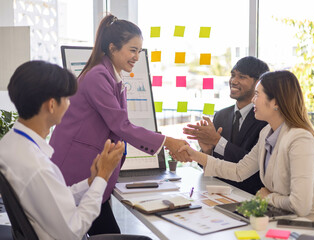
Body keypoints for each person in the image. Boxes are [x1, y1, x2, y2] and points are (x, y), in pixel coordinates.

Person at [49, 14, 189, 235]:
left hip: (89, 168)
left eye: (139, 51)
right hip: (75, 168)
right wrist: (167, 141)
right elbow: (121, 125)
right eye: (132, 50)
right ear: (113, 48)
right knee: (104, 232)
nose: (137, 57)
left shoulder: (108, 75)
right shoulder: (98, 77)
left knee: (103, 231)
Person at [178, 70, 314, 218]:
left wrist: (268, 197)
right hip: (282, 217)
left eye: (257, 94)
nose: (253, 99)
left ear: (276, 102)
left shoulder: (300, 139)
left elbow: (300, 205)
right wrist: (195, 155)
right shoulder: (267, 132)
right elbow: (239, 171)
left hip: (313, 224)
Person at [0, 60, 126, 239]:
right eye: (67, 99)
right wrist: (102, 177)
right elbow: (73, 231)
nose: (69, 105)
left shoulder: (12, 143)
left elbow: (55, 199)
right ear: (51, 105)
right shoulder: (38, 167)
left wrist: (90, 182)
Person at [183, 56, 269, 195]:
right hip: (217, 192)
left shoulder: (264, 120)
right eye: (233, 75)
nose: (233, 81)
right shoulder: (221, 115)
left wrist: (217, 141)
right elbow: (208, 164)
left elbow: (250, 165)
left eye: (241, 77)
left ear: (258, 83)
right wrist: (207, 151)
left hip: (247, 196)